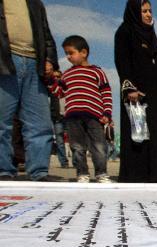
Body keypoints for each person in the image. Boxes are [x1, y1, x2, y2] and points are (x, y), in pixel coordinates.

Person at [0, 0, 57, 181]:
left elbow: (46, 34)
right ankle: (3, 170)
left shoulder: (35, 3)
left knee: (40, 123)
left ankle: (39, 171)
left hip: (35, 63)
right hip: (4, 62)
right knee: (2, 122)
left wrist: (49, 59)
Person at [114, 0, 157, 182]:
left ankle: (155, 174)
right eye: (143, 11)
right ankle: (135, 175)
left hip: (153, 94)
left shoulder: (151, 35)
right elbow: (123, 62)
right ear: (134, 12)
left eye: (150, 11)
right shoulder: (125, 32)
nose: (148, 14)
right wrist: (130, 87)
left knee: (154, 133)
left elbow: (156, 64)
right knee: (137, 133)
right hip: (135, 93)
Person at [47, 35, 113, 183]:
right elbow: (59, 92)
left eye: (71, 53)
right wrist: (51, 79)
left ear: (84, 52)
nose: (68, 57)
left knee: (99, 146)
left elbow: (106, 93)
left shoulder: (97, 72)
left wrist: (107, 113)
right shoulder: (67, 74)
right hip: (72, 116)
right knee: (77, 147)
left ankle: (101, 173)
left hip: (94, 116)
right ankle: (82, 172)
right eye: (66, 54)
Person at [49, 92, 68, 168]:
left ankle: (77, 162)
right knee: (60, 141)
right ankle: (64, 162)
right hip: (58, 119)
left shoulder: (68, 90)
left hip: (70, 117)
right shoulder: (53, 92)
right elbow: (50, 105)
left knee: (74, 141)